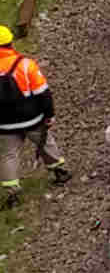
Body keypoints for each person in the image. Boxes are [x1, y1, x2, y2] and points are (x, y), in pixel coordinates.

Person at [0, 25, 71, 209]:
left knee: (9, 155)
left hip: (4, 123)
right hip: (32, 118)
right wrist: (49, 114)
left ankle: (12, 192)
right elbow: (43, 93)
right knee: (46, 143)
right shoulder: (25, 64)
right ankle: (59, 171)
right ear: (10, 43)